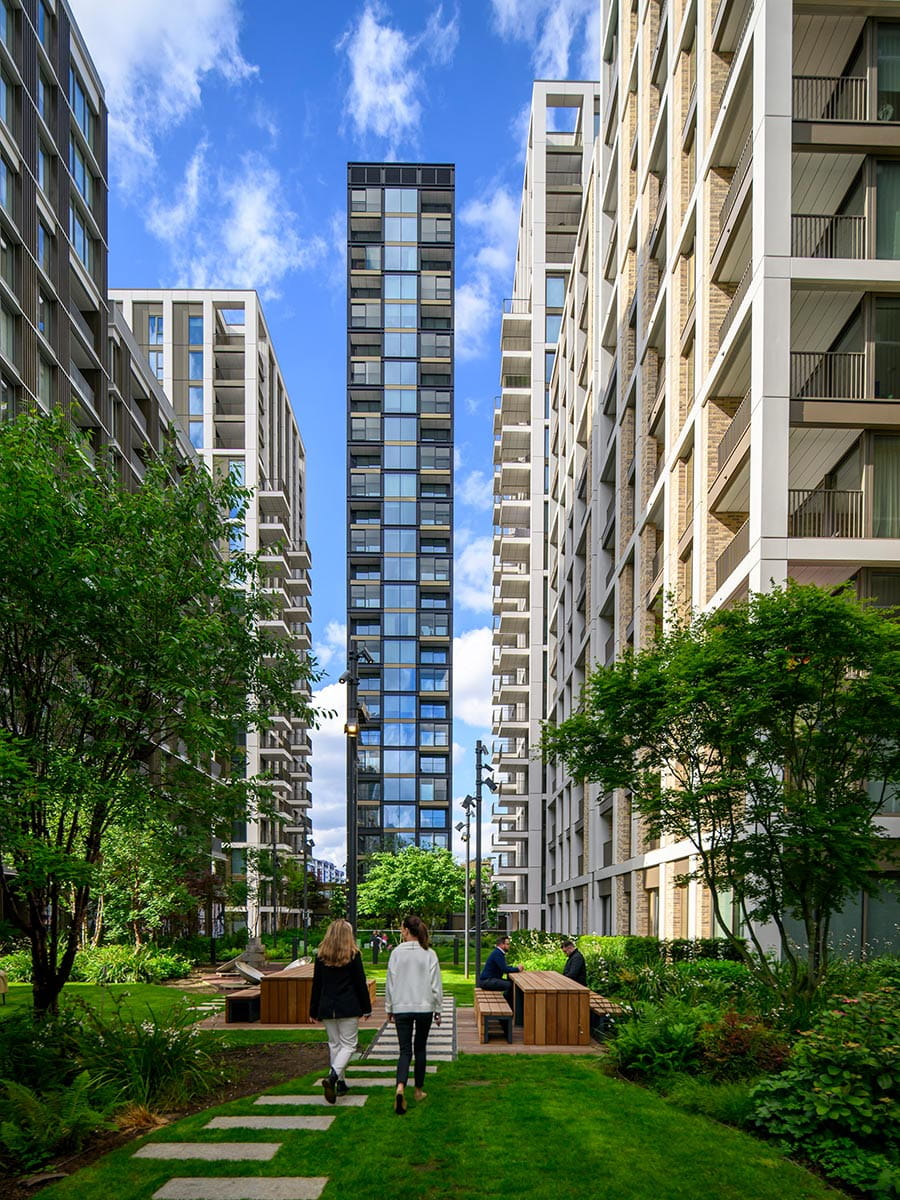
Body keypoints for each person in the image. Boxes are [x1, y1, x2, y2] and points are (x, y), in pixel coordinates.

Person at [384, 913, 443, 1115]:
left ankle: (400, 1087)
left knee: (404, 1050)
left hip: (401, 1007)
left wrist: (389, 1008)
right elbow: (436, 985)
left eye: (402, 929)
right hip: (424, 1007)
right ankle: (418, 1090)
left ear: (406, 931)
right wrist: (438, 1010)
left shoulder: (396, 953)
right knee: (420, 1049)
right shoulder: (429, 954)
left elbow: (390, 983)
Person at [309, 919, 372, 1104]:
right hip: (348, 1006)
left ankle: (341, 1083)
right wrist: (366, 1007)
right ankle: (333, 1077)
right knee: (350, 1046)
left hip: (327, 1006)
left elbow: (317, 985)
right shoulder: (353, 955)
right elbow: (360, 983)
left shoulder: (321, 957)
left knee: (335, 1045)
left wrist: (313, 1010)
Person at [478, 934, 523, 1008]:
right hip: (487, 981)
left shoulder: (498, 953)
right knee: (510, 986)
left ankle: (508, 1007)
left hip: (489, 980)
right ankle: (507, 1008)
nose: (509, 946)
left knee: (511, 985)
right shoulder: (497, 954)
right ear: (502, 945)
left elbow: (503, 967)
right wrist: (517, 969)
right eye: (507, 944)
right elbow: (504, 969)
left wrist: (513, 968)